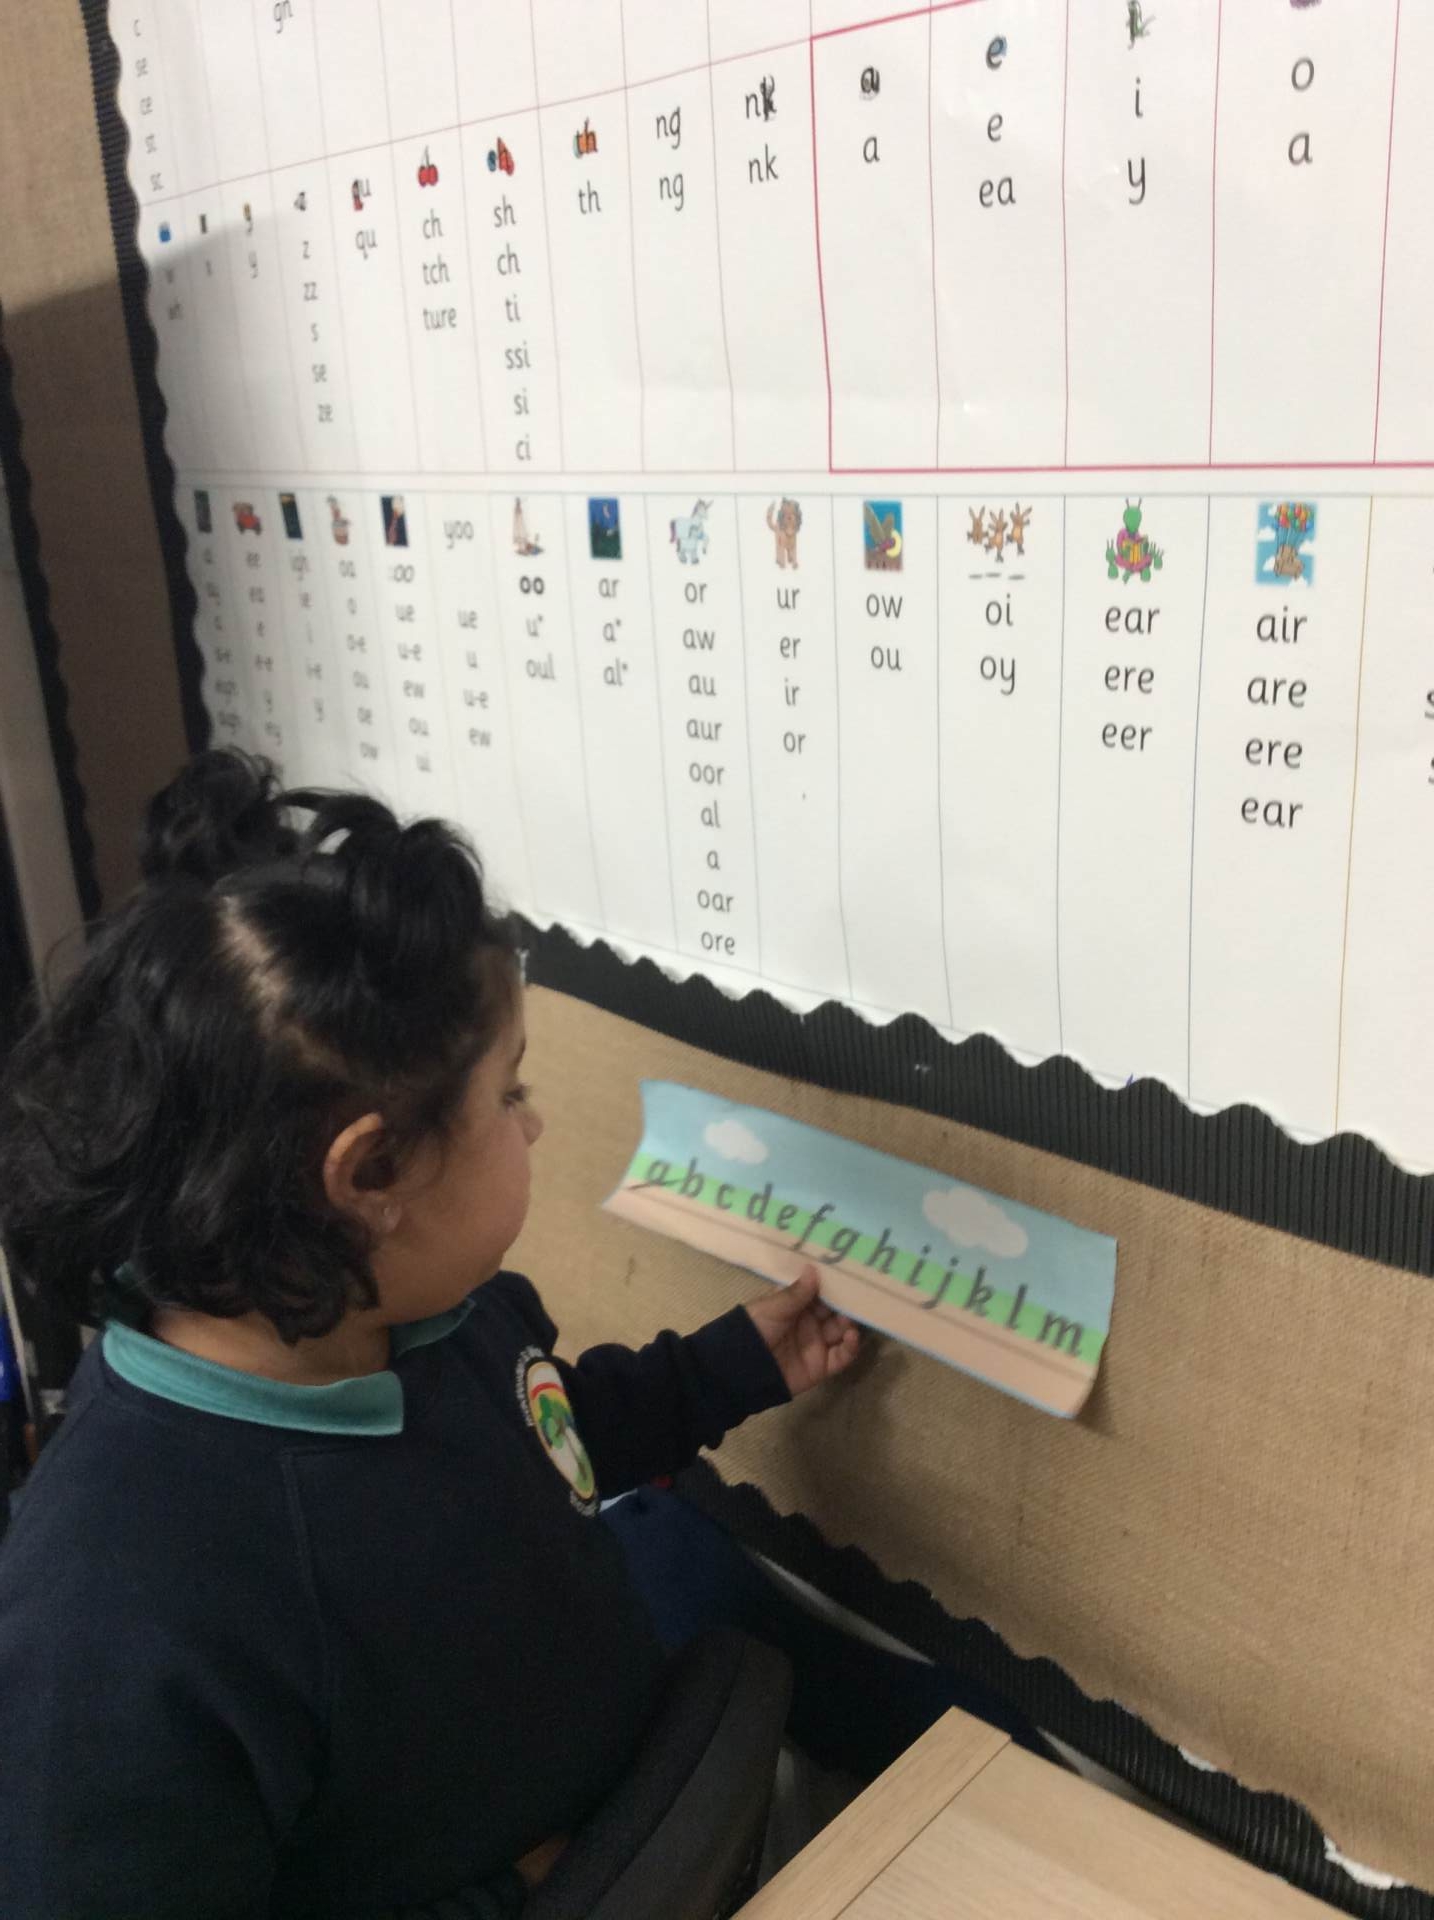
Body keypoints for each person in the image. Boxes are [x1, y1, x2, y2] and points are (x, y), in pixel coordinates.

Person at [0, 751, 1036, 1919]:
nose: (534, 1125)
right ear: (371, 1173)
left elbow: (533, 1446)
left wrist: (726, 1369)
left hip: (658, 1802)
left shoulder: (416, 1317)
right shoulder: (117, 1617)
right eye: (508, 1093)